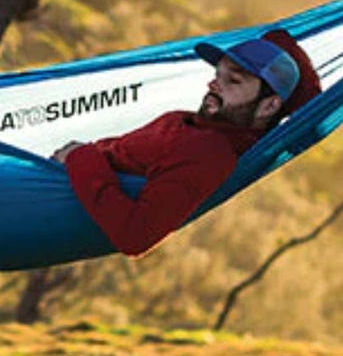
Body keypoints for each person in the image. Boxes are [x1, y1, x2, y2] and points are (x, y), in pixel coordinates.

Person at [52, 28, 319, 256]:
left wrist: (79, 157)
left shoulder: (210, 152)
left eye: (233, 80)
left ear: (268, 106)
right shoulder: (186, 122)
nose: (213, 85)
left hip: (48, 200)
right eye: (217, 75)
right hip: (49, 177)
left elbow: (135, 235)